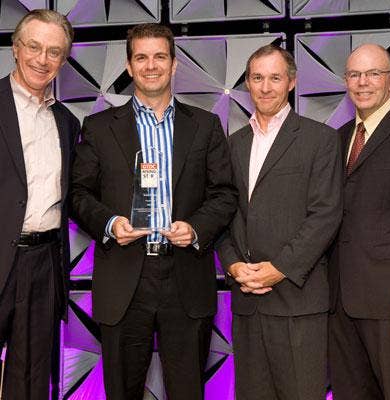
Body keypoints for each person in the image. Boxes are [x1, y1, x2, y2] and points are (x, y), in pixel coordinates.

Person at [71, 23, 237, 400]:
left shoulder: (206, 125)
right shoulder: (98, 127)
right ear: (129, 66)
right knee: (121, 391)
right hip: (124, 278)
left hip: (185, 277)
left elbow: (225, 194)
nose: (151, 65)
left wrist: (195, 228)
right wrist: (110, 223)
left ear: (174, 64)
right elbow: (79, 193)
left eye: (160, 56)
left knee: (188, 390)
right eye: (141, 57)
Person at [217, 44, 342, 400]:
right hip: (247, 303)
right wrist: (233, 265)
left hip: (297, 303)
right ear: (247, 83)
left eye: (275, 78)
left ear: (292, 82)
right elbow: (223, 212)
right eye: (257, 78)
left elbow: (325, 214)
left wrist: (280, 268)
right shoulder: (233, 144)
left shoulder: (320, 139)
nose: (265, 87)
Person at [0, 9, 79, 400]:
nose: (42, 59)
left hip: (45, 262)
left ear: (63, 61)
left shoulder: (66, 121)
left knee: (31, 379)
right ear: (16, 48)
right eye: (33, 47)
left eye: (54, 52)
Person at [328, 43, 390, 400]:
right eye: (354, 74)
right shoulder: (338, 137)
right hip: (339, 301)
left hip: (389, 301)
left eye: (373, 74)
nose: (362, 82)